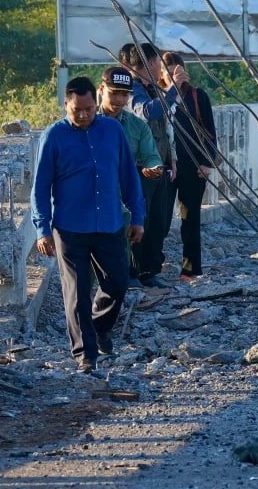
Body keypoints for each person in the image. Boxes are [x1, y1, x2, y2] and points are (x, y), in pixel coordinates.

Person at [32, 77, 146, 374]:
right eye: (77, 110)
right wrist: (42, 229)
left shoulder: (112, 130)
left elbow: (128, 176)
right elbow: (40, 187)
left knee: (118, 284)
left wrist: (137, 216)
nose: (83, 115)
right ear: (66, 105)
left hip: (108, 223)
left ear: (96, 103)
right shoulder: (53, 137)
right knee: (77, 292)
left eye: (89, 109)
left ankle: (98, 326)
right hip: (70, 227)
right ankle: (86, 355)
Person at [120, 41, 182, 288]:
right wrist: (174, 88)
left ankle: (151, 270)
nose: (161, 67)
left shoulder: (155, 89)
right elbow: (147, 112)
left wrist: (172, 159)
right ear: (150, 63)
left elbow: (167, 127)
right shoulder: (132, 90)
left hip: (161, 166)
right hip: (139, 166)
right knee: (139, 221)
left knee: (159, 221)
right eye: (158, 61)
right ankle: (133, 272)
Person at [97, 68, 163, 287]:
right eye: (114, 93)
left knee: (139, 222)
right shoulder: (85, 119)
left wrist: (154, 167)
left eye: (124, 95)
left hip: (124, 191)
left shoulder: (137, 126)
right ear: (101, 89)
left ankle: (132, 274)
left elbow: (150, 155)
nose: (119, 100)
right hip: (92, 192)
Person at [163, 53, 219, 281]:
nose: (176, 75)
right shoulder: (159, 97)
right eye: (170, 70)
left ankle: (191, 269)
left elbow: (210, 131)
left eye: (179, 70)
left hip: (193, 166)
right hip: (166, 165)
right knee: (161, 219)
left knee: (190, 220)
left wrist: (207, 163)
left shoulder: (197, 96)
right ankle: (153, 266)